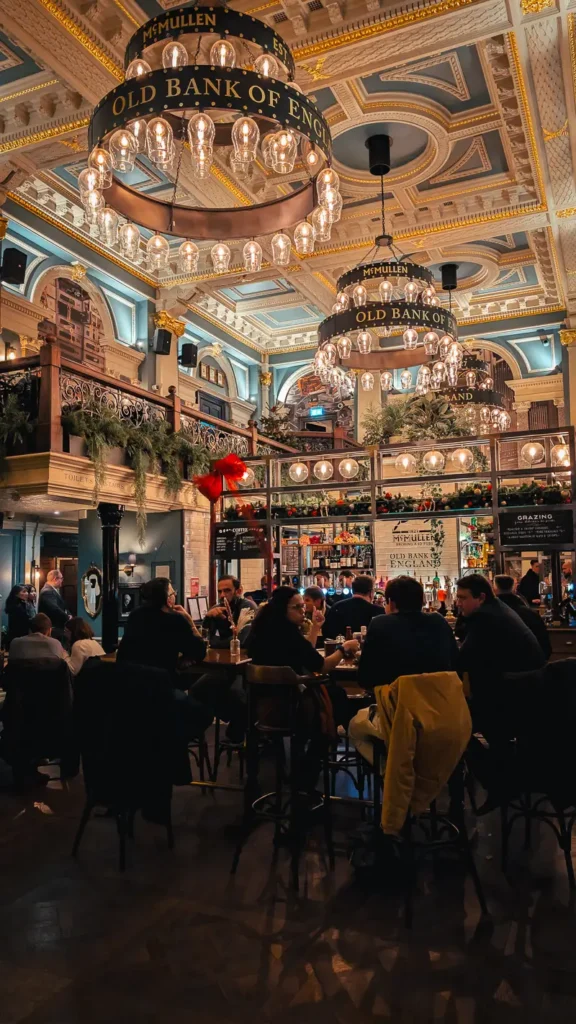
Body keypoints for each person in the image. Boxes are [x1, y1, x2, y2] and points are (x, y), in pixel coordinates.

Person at [348, 577, 469, 831]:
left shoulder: (380, 624)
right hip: (448, 723)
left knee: (355, 727)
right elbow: (456, 667)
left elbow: (365, 679)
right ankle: (437, 795)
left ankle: (395, 780)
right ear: (423, 600)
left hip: (403, 724)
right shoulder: (438, 622)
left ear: (389, 603)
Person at [117, 577, 212, 742]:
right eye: (173, 593)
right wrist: (190, 622)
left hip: (130, 693)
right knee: (204, 714)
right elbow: (199, 651)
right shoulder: (175, 620)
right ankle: (173, 744)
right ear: (168, 599)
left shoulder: (135, 616)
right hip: (163, 691)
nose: (174, 596)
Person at [494, 574, 552, 660]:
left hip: (499, 669)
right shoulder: (530, 614)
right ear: (514, 588)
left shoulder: (488, 615)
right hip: (530, 666)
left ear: (495, 589)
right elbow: (545, 647)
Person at [201, 575, 255, 649]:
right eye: (220, 591)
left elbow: (241, 641)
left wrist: (215, 643)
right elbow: (204, 638)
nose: (222, 595)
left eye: (227, 590)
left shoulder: (248, 607)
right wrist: (207, 617)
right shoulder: (216, 609)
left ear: (238, 591)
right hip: (220, 656)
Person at [323, 575, 384, 639]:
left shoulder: (336, 607)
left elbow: (327, 634)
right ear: (371, 593)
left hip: (340, 647)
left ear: (353, 590)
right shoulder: (378, 612)